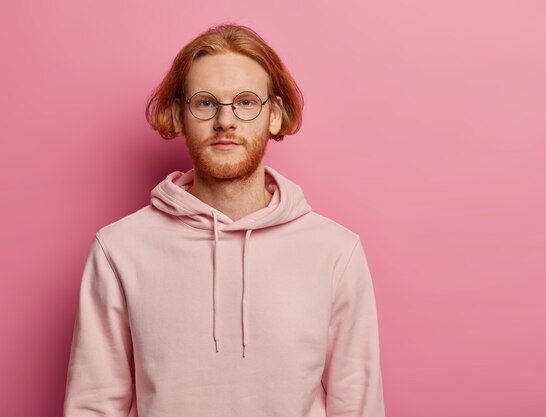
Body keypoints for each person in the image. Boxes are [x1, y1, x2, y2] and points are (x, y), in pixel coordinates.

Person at [63, 23, 386, 417]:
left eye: (246, 102)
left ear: (274, 116)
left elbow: (358, 405)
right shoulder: (118, 249)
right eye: (205, 102)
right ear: (181, 114)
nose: (225, 121)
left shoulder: (336, 252)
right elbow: (93, 405)